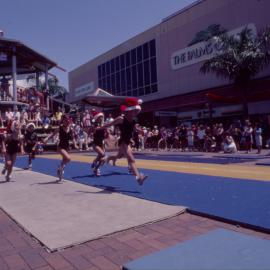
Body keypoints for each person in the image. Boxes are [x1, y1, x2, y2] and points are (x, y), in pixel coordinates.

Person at [104, 98, 148, 185]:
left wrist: (140, 131)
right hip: (123, 142)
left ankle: (109, 157)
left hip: (127, 141)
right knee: (131, 159)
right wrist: (101, 128)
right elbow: (109, 124)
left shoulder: (134, 120)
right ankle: (139, 177)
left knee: (119, 156)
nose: (135, 112)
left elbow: (135, 129)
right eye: (134, 111)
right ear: (129, 110)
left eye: (136, 111)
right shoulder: (121, 119)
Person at [44, 115, 78, 181]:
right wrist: (46, 138)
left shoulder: (70, 129)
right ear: (63, 121)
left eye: (68, 120)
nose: (68, 121)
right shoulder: (60, 128)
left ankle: (60, 172)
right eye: (66, 120)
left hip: (67, 147)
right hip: (60, 147)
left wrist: (75, 144)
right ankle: (60, 167)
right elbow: (52, 134)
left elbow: (73, 138)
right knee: (68, 159)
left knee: (64, 160)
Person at [91, 111, 107, 176]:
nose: (101, 118)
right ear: (97, 118)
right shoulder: (95, 124)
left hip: (101, 143)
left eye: (102, 117)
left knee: (102, 159)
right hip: (95, 144)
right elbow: (96, 129)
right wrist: (104, 127)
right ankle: (94, 162)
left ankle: (96, 168)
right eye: (100, 117)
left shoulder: (104, 124)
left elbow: (106, 134)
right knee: (103, 155)